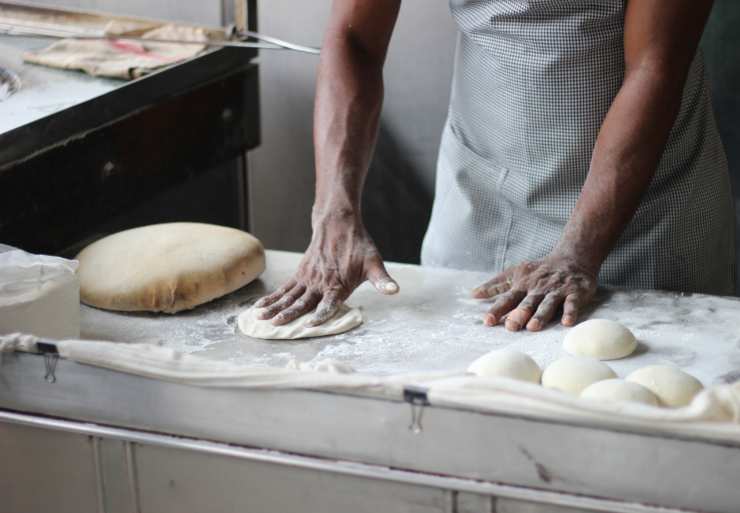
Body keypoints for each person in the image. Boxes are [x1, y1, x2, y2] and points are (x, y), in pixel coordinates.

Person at [256, 0, 735, 332]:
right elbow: (354, 38)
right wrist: (333, 212)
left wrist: (578, 251)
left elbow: (656, 65)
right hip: (481, 194)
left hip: (643, 214)